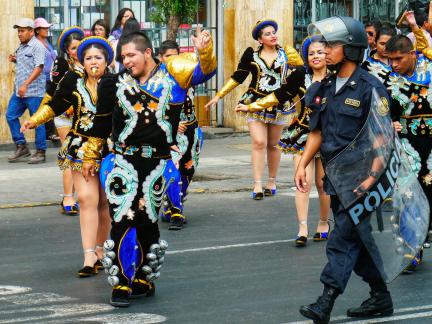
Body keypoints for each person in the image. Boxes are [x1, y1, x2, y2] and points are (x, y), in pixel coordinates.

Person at [99, 27, 216, 307]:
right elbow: (101, 124)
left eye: (131, 55)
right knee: (124, 218)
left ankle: (143, 277)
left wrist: (204, 51)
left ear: (147, 52)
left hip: (157, 162)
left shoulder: (174, 77)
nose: (126, 61)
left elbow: (206, 72)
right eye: (123, 56)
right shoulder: (116, 83)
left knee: (148, 219)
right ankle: (123, 283)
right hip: (123, 160)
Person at [294, 17, 394, 323]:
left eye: (332, 45)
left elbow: (383, 139)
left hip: (363, 181)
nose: (324, 50)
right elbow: (317, 132)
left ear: (350, 49)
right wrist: (302, 164)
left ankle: (325, 301)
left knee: (342, 240)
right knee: (360, 240)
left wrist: (370, 178)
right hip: (336, 180)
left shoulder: (370, 88)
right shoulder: (323, 87)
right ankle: (381, 296)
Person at [21, 36, 114, 278]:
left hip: (110, 148)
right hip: (80, 147)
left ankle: (102, 251)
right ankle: (88, 256)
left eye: (98, 57)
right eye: (88, 58)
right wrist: (34, 120)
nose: (93, 62)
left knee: (104, 202)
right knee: (86, 198)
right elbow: (54, 104)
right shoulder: (73, 79)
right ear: (81, 61)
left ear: (107, 60)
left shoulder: (116, 82)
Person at [205, 19, 304, 200]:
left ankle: (271, 181)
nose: (273, 35)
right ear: (260, 39)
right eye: (267, 34)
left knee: (273, 144)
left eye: (273, 32)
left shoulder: (287, 54)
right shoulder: (251, 55)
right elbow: (238, 77)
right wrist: (219, 95)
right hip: (254, 102)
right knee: (259, 142)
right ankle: (257, 183)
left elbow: (300, 76)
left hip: (279, 104)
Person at [384, 13, 432, 271]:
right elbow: (382, 113)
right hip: (407, 146)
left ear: (413, 54)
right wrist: (389, 122)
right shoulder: (389, 82)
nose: (393, 65)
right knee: (407, 195)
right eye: (390, 60)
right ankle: (412, 250)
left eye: (398, 59)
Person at [278, 37, 330, 247]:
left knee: (323, 183)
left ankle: (324, 223)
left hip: (328, 136)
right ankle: (302, 228)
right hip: (302, 134)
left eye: (320, 52)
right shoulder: (300, 77)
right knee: (302, 182)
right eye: (311, 53)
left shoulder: (336, 78)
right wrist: (252, 106)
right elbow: (279, 94)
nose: (315, 56)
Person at [157, 40, 205, 230]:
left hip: (192, 129)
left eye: (175, 55)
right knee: (171, 169)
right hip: (170, 132)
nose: (172, 60)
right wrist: (173, 126)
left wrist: (203, 51)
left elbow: (205, 70)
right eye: (167, 56)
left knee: (188, 170)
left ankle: (172, 204)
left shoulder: (188, 72)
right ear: (160, 57)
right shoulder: (156, 78)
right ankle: (176, 210)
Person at [42, 26, 84, 215]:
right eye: (74, 48)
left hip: (86, 118)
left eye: (80, 46)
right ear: (67, 50)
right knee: (70, 154)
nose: (77, 51)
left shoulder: (91, 60)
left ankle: (83, 196)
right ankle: (68, 197)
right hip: (65, 116)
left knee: (83, 158)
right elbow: (54, 90)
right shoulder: (61, 64)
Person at [6, 18, 47, 164]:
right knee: (10, 115)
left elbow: (39, 67)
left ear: (31, 31)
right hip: (20, 92)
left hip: (34, 92)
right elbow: (27, 62)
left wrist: (26, 84)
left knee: (37, 121)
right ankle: (21, 146)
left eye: (22, 31)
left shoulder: (38, 46)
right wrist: (15, 59)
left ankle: (41, 151)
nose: (19, 34)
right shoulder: (22, 46)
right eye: (18, 31)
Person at [34, 17, 59, 143]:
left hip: (51, 78)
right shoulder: (35, 44)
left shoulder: (47, 42)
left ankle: (50, 132)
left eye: (47, 27)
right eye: (44, 28)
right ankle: (48, 133)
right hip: (41, 79)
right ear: (37, 30)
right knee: (45, 104)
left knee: (51, 103)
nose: (47, 29)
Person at [109, 8, 134, 73]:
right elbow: (109, 50)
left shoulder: (135, 33)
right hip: (118, 65)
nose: (129, 18)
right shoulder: (114, 34)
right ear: (120, 18)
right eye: (126, 16)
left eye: (131, 17)